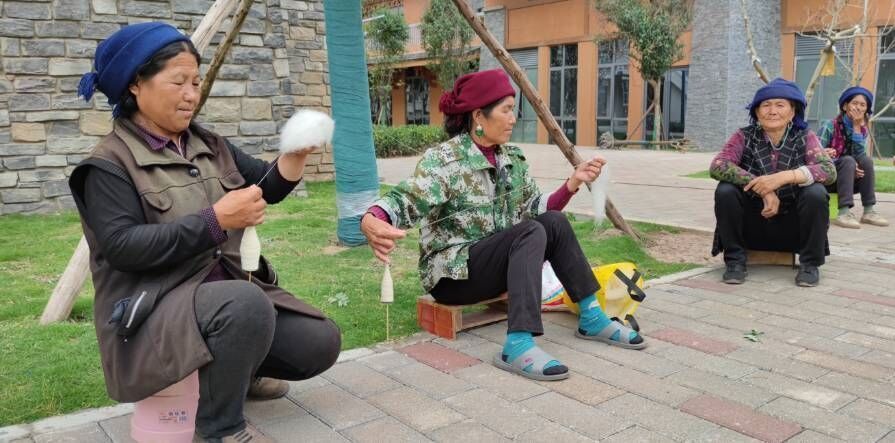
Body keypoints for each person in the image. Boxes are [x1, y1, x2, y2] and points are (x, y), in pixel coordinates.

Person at [67, 23, 340, 443]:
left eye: (195, 82)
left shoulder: (207, 143)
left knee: (319, 341)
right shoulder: (107, 165)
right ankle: (218, 429)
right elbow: (124, 249)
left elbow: (264, 185)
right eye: (178, 82)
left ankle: (237, 374)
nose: (191, 94)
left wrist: (295, 155)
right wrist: (216, 220)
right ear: (136, 85)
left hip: (223, 303)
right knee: (245, 303)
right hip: (153, 315)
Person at [360, 69, 645, 382]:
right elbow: (408, 197)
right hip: (453, 277)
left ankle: (591, 316)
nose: (513, 118)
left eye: (514, 109)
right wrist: (373, 216)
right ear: (478, 116)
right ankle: (518, 344)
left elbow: (536, 208)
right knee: (530, 231)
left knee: (554, 222)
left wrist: (573, 182)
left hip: (499, 265)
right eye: (506, 110)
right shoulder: (444, 160)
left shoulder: (512, 158)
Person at [710, 78, 837, 287]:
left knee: (816, 193)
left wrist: (785, 177)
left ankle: (809, 265)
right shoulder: (744, 136)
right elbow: (718, 165)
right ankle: (735, 261)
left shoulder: (804, 136)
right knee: (725, 190)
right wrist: (764, 188)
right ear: (757, 112)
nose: (772, 111)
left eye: (780, 105)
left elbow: (829, 170)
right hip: (754, 223)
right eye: (766, 105)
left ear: (792, 112)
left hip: (792, 227)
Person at [818, 86, 888, 229]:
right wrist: (827, 154)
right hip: (827, 179)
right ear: (845, 106)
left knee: (866, 160)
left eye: (862, 105)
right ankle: (844, 213)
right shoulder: (830, 125)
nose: (858, 108)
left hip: (849, 182)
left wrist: (856, 126)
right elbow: (814, 156)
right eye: (855, 103)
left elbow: (859, 155)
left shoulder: (862, 130)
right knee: (848, 161)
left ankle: (868, 211)